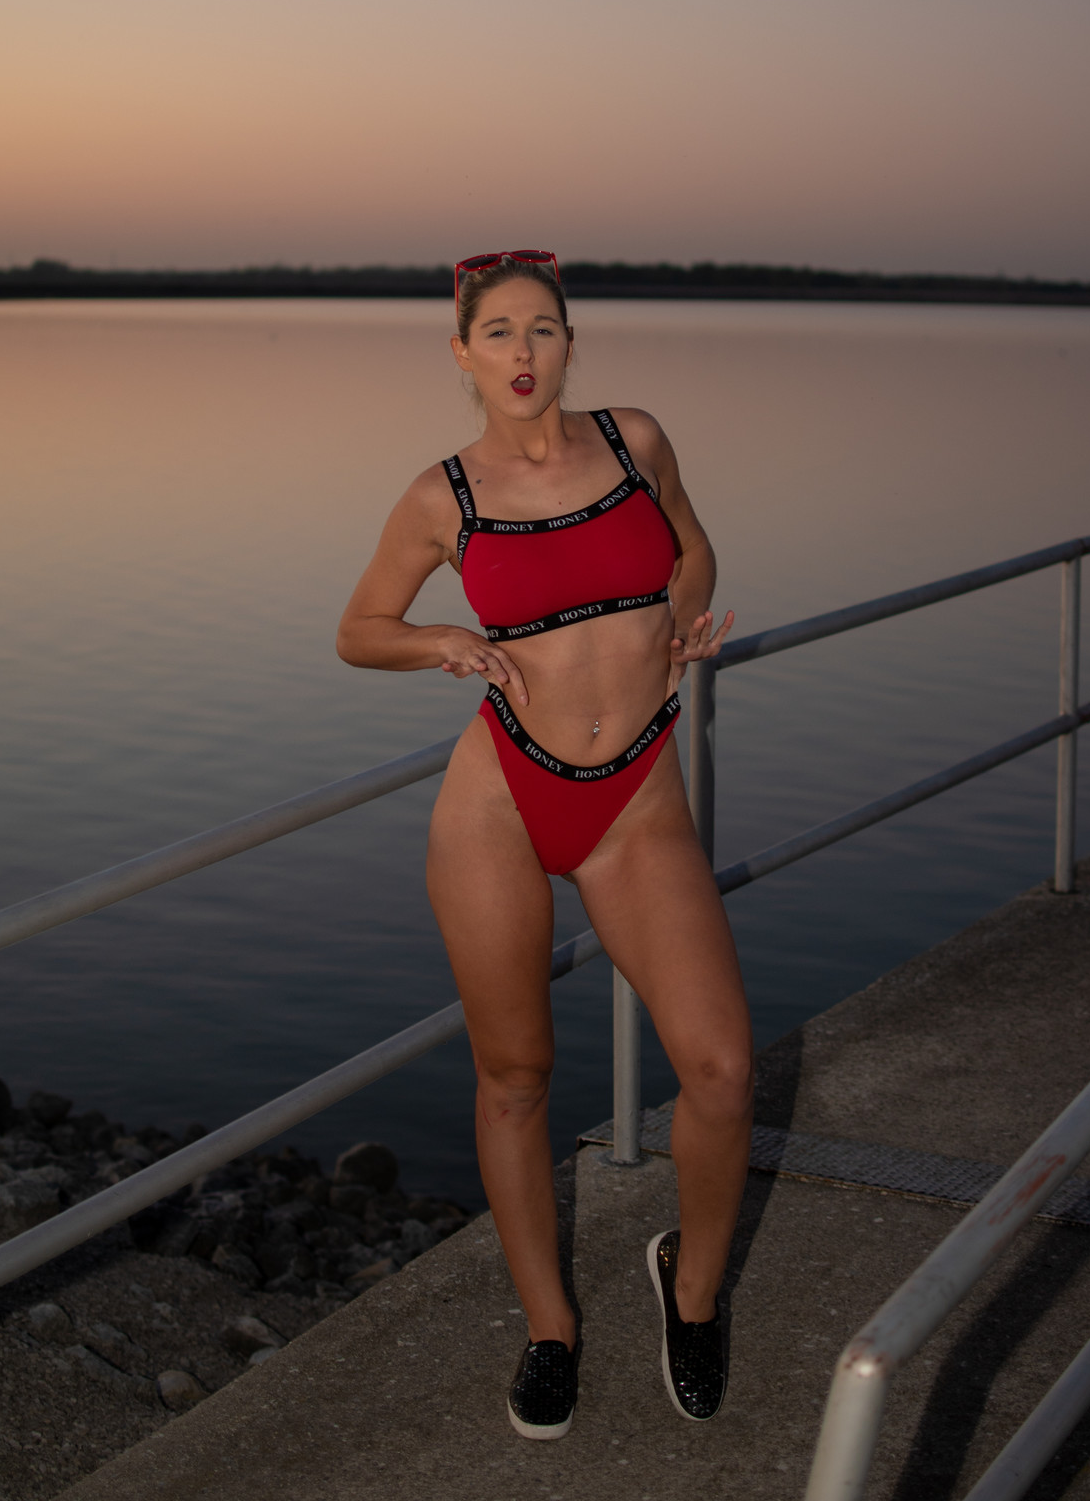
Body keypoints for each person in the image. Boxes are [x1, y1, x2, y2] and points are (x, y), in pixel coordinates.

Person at [337, 250, 753, 1439]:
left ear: (571, 343)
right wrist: (443, 642)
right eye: (499, 333)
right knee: (516, 1079)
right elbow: (358, 629)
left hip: (637, 799)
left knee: (720, 1069)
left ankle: (691, 1290)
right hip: (500, 804)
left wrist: (682, 617)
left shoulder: (635, 441)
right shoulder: (442, 496)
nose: (522, 352)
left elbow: (692, 548)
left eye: (543, 329)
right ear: (461, 353)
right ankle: (548, 1328)